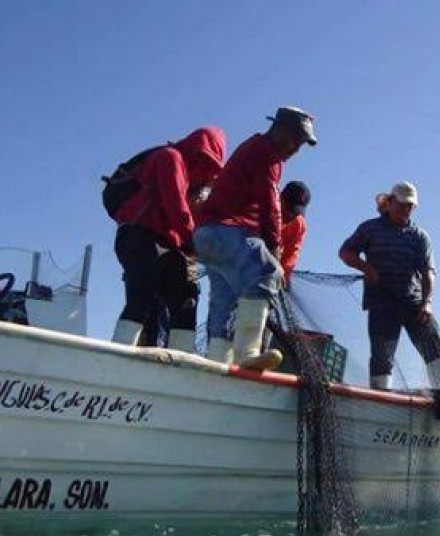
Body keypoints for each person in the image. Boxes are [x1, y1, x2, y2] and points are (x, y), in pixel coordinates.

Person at [193, 107, 317, 369]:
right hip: (226, 229)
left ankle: (218, 362)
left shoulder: (252, 147)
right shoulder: (266, 154)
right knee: (267, 272)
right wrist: (273, 248)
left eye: (302, 144)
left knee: (224, 300)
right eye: (296, 139)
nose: (296, 149)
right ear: (280, 130)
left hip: (207, 235)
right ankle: (248, 353)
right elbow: (270, 203)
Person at [111, 126, 227, 351]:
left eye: (211, 167)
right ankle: (118, 354)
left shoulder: (198, 186)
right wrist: (196, 244)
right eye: (203, 160)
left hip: (172, 244)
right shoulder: (169, 158)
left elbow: (194, 216)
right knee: (141, 295)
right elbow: (176, 206)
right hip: (139, 235)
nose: (205, 170)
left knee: (186, 297)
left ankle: (179, 362)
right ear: (194, 149)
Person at [338, 181, 440, 392]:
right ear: (390, 202)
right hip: (381, 302)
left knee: (434, 348)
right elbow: (346, 252)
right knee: (382, 356)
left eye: (410, 206)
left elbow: (429, 271)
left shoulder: (419, 236)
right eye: (402, 204)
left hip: (414, 303)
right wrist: (367, 268)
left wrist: (427, 303)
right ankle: (381, 395)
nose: (406, 210)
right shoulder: (370, 228)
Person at [279, 181, 311, 287]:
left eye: (296, 212)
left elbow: (291, 254)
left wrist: (284, 274)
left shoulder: (299, 225)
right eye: (289, 209)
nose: (291, 215)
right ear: (280, 199)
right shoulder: (262, 206)